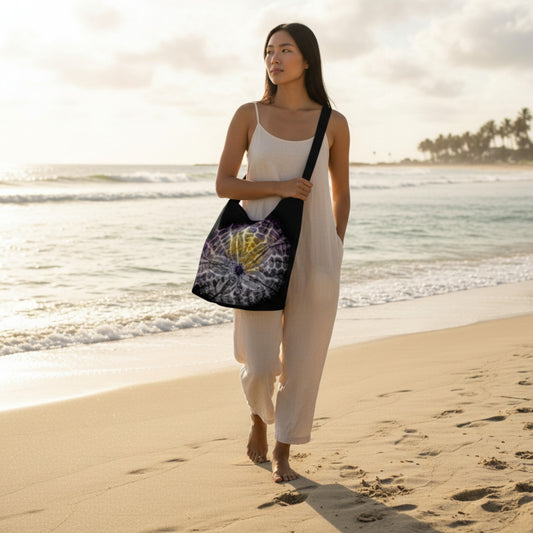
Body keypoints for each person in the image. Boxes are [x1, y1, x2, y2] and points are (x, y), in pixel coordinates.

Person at [215, 22, 350, 483]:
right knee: (258, 361)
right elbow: (225, 184)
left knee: (304, 358)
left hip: (316, 251)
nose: (274, 58)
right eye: (269, 50)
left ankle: (283, 448)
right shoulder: (248, 115)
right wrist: (281, 188)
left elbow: (340, 192)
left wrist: (335, 245)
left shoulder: (333, 122)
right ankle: (257, 415)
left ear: (307, 59)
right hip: (256, 249)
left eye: (285, 50)